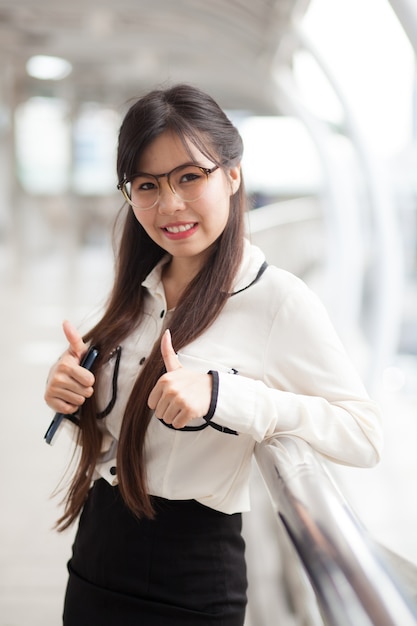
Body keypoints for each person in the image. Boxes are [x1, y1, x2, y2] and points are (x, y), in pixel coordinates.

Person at [44, 83, 383, 626]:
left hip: (191, 572)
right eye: (147, 185)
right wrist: (71, 394)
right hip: (97, 553)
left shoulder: (279, 301)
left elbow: (363, 435)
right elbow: (117, 431)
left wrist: (229, 397)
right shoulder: (138, 289)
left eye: (189, 177)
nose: (170, 204)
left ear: (232, 174)